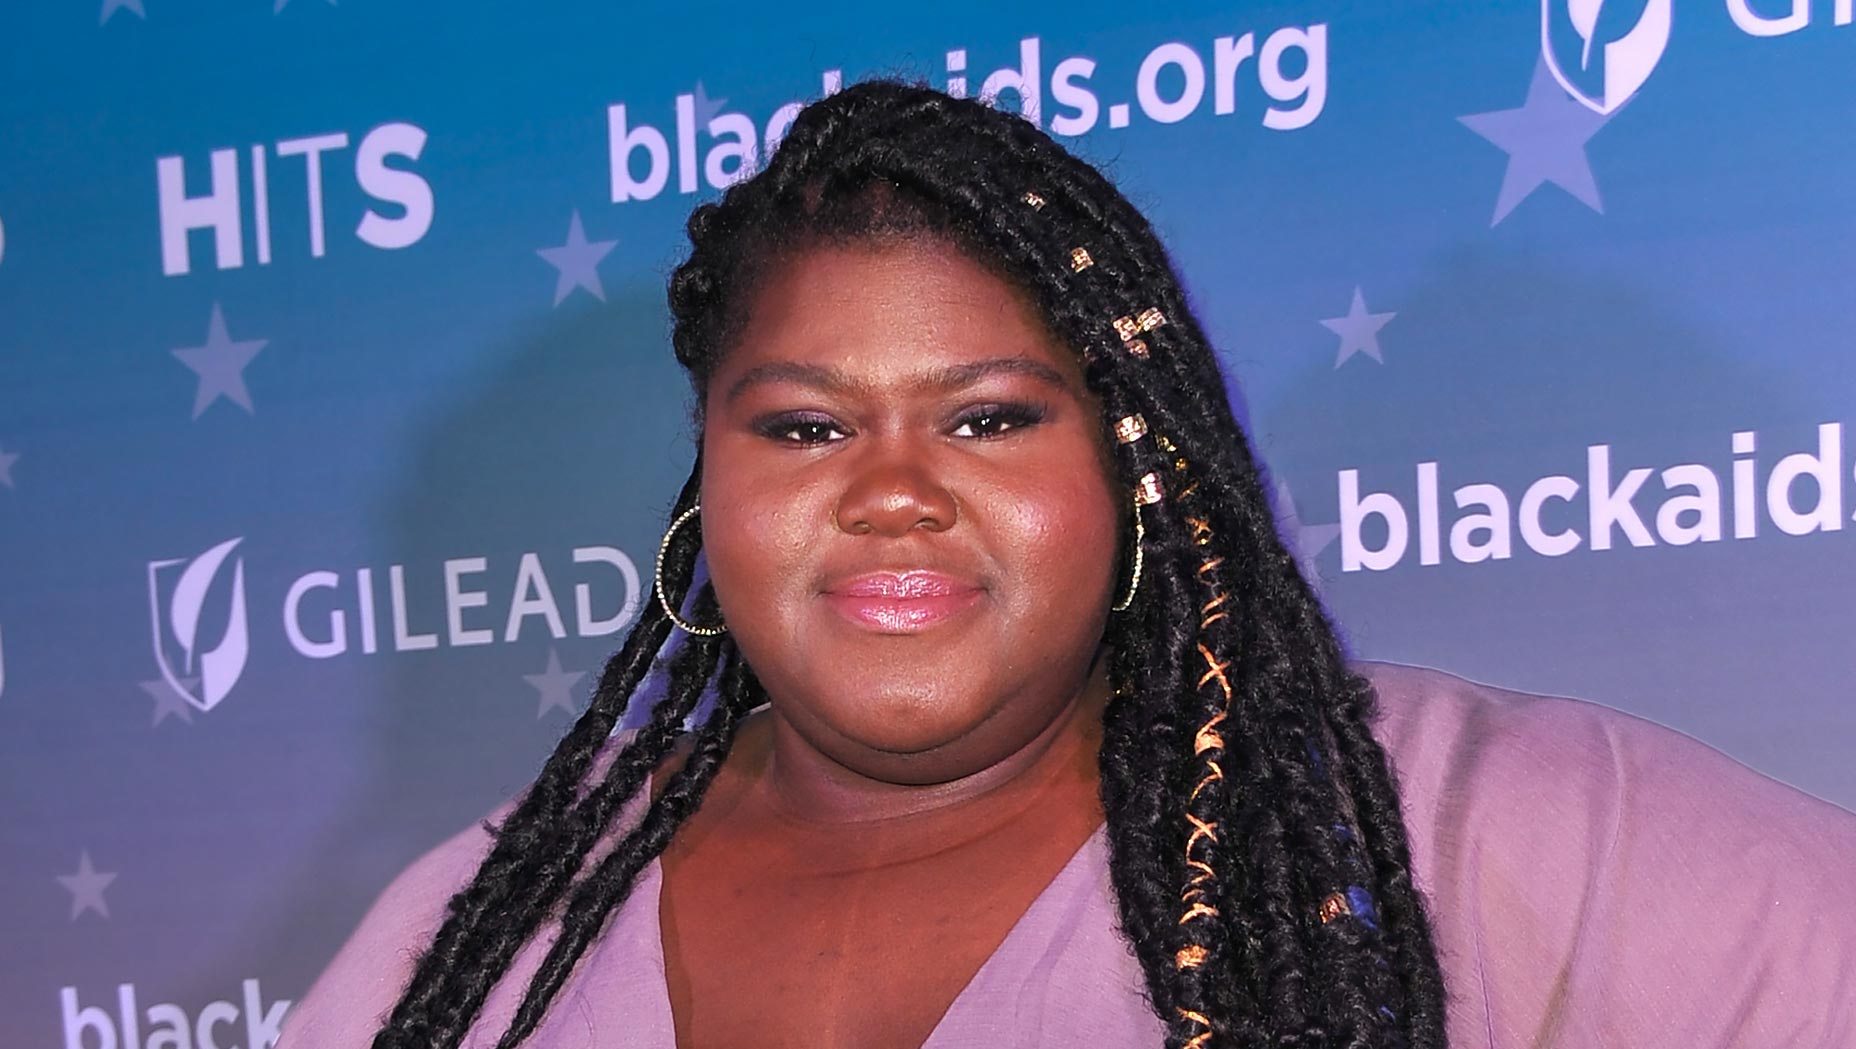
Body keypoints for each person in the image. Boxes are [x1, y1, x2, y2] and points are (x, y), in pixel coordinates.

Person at [277, 80, 1856, 1049]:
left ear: (1133, 467)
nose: (894, 492)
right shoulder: (482, 930)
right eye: (807, 427)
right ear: (709, 483)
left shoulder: (1465, 816)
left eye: (988, 417)